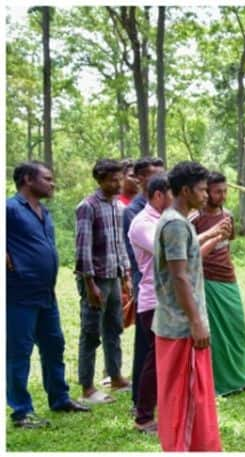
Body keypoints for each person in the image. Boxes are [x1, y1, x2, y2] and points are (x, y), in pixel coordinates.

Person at [7, 161, 90, 428]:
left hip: (47, 294)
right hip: (18, 294)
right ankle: (21, 411)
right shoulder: (10, 208)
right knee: (18, 353)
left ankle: (60, 398)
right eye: (47, 178)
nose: (52, 183)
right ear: (28, 180)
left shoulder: (44, 211)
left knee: (54, 346)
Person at [152, 161, 221, 451]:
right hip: (181, 327)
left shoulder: (177, 221)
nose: (206, 195)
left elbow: (187, 268)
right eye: (203, 190)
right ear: (185, 190)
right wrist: (196, 321)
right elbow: (179, 276)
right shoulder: (176, 225)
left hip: (177, 323)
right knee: (188, 398)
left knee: (190, 397)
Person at [191, 172, 245, 396]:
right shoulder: (195, 219)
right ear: (207, 192)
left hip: (227, 278)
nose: (221, 196)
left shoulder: (227, 216)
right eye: (216, 191)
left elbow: (227, 246)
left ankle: (240, 377)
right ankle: (219, 383)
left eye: (224, 191)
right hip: (207, 279)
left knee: (236, 328)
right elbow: (191, 253)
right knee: (217, 334)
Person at [75, 158, 132, 404]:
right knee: (91, 333)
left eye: (120, 178)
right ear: (100, 180)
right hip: (95, 279)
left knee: (114, 328)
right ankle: (87, 388)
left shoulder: (117, 206)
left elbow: (120, 245)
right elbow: (82, 249)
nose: (118, 183)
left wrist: (126, 277)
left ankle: (116, 376)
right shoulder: (88, 206)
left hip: (114, 277)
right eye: (113, 179)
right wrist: (90, 285)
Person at [127, 173, 172, 433]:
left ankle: (161, 410)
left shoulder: (164, 219)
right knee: (155, 360)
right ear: (158, 196)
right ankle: (143, 417)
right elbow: (168, 250)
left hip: (166, 299)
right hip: (153, 300)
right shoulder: (143, 223)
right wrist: (210, 233)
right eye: (171, 194)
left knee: (163, 359)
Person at [122, 157, 165, 411]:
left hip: (160, 285)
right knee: (147, 350)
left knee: (154, 349)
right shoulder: (134, 212)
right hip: (146, 284)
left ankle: (151, 399)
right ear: (140, 180)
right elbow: (143, 254)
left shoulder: (163, 211)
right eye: (153, 175)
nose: (159, 179)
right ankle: (140, 401)